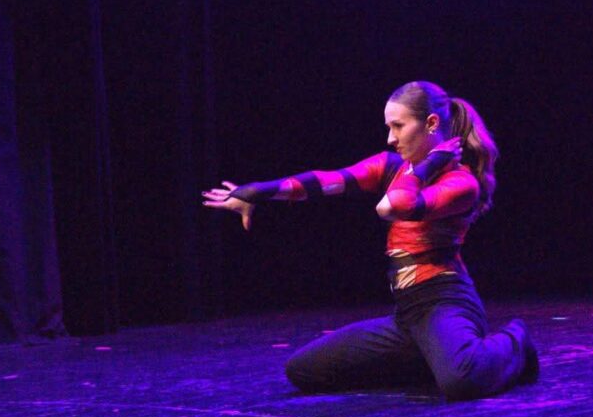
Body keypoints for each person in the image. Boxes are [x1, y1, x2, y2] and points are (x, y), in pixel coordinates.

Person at [202, 81, 538, 400]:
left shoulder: (461, 183)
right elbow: (327, 182)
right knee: (304, 370)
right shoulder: (392, 167)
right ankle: (434, 356)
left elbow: (394, 206)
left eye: (398, 126)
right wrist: (257, 192)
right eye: (389, 127)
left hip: (445, 304)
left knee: (463, 382)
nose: (391, 138)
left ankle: (515, 341)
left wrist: (424, 167)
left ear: (431, 123)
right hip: (408, 315)